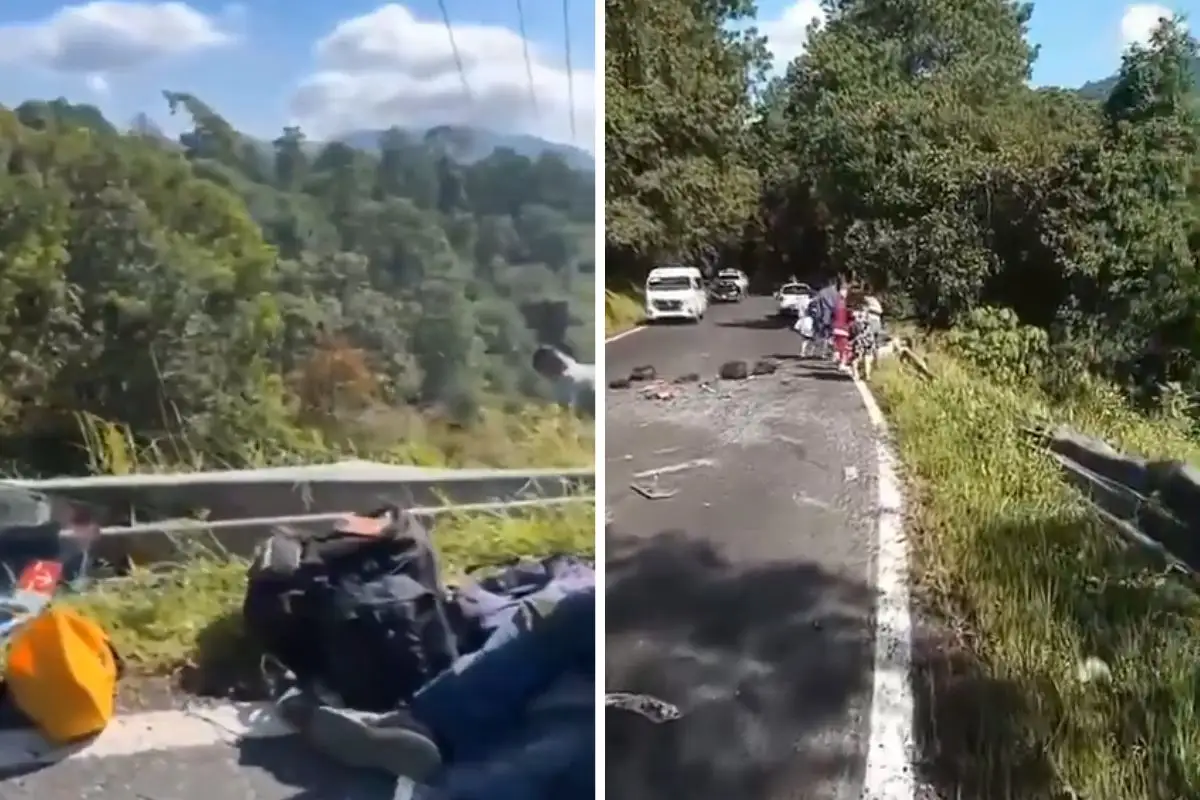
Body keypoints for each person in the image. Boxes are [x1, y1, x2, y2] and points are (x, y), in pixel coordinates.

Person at [830, 283, 851, 370]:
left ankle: (837, 355)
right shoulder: (846, 304)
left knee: (839, 345)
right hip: (844, 328)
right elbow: (850, 316)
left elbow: (832, 315)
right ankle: (842, 363)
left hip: (835, 327)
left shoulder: (836, 303)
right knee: (845, 347)